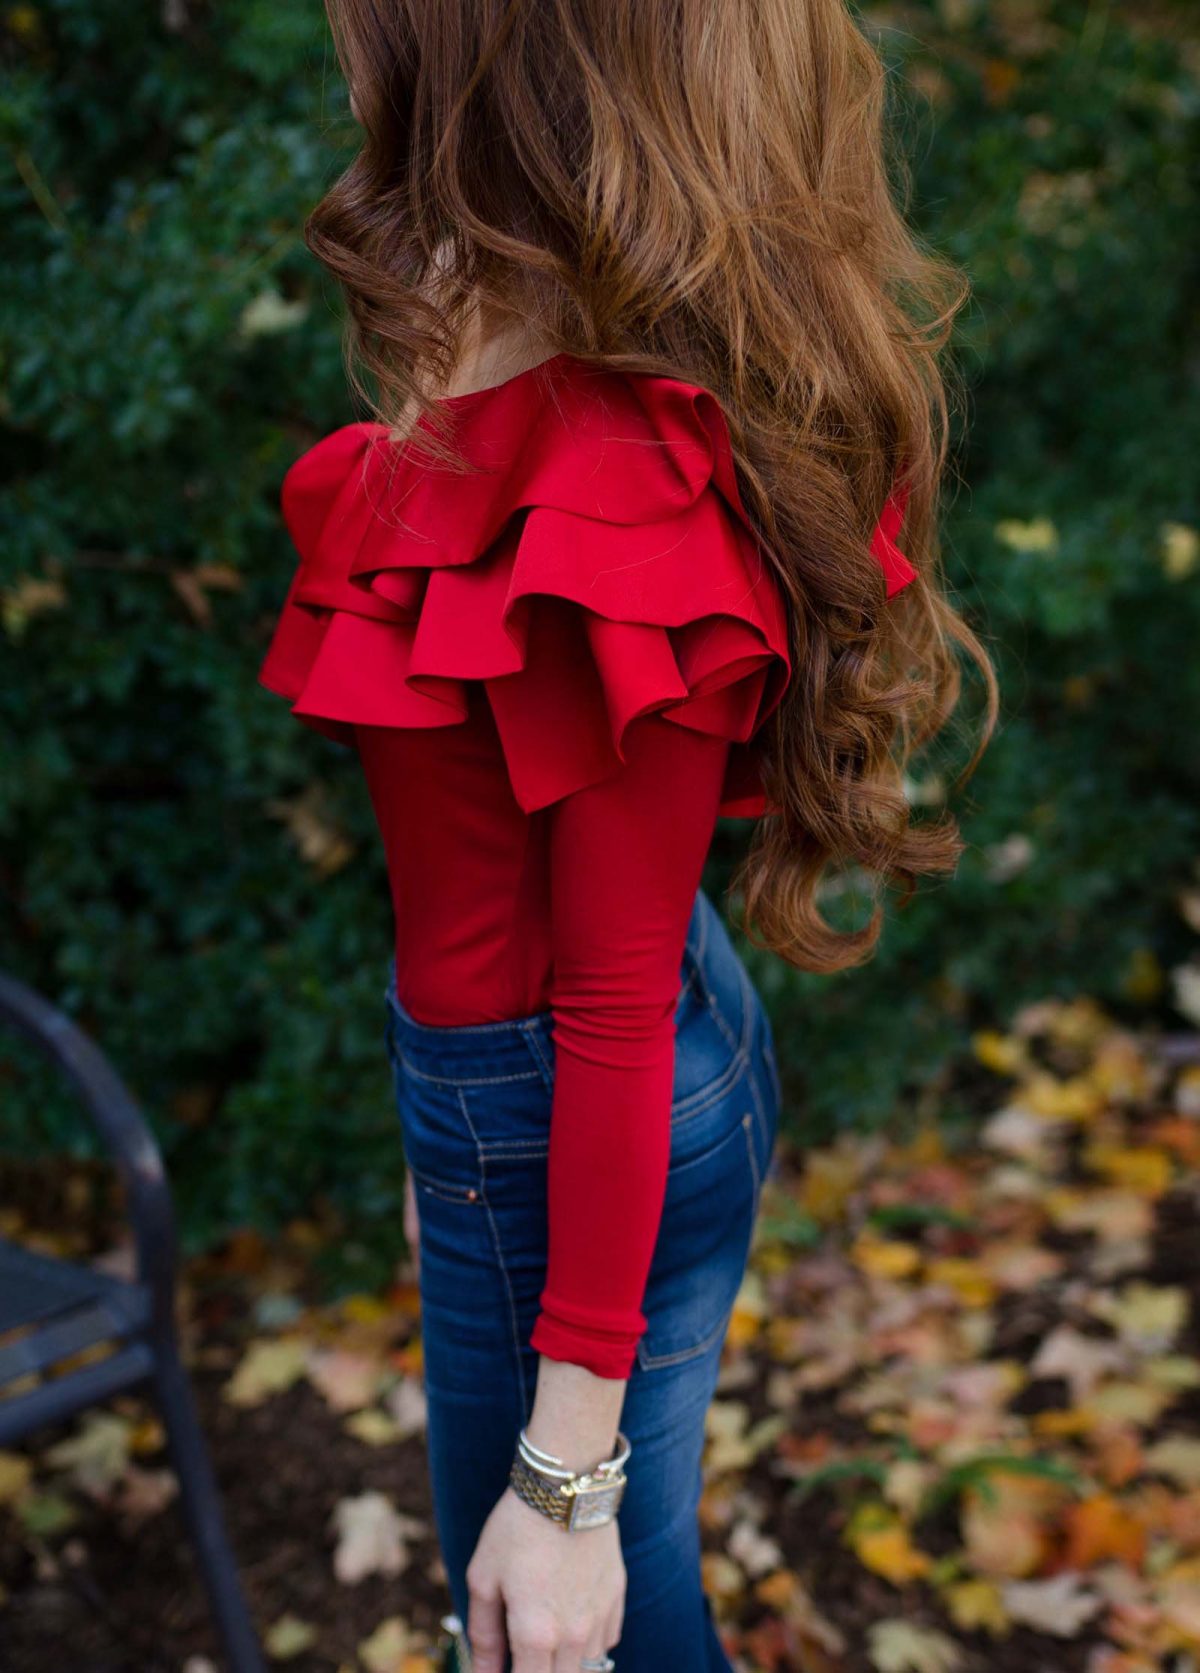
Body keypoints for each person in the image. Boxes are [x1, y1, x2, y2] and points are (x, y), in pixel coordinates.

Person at [258, 3, 997, 1669]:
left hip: (577, 1098)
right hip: (579, 1085)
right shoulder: (519, 341)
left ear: (507, 101)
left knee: (568, 1611)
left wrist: (567, 1474)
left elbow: (597, 1000)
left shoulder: (612, 484)